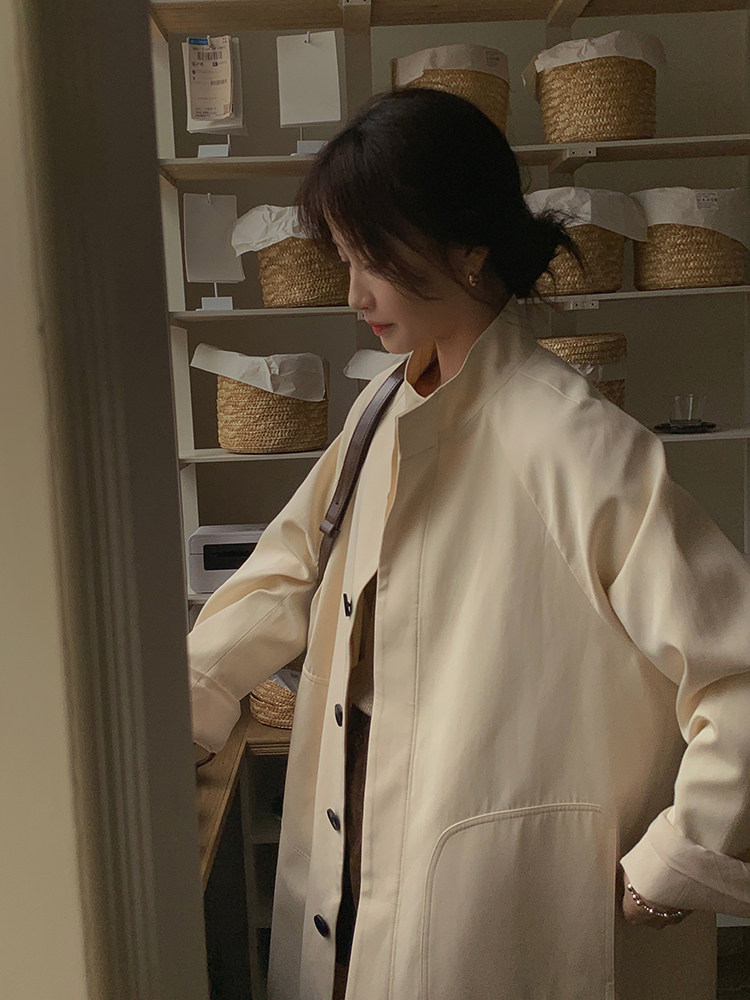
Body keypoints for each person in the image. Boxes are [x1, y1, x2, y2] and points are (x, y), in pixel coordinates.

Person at [189, 88, 750, 1000]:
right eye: (345, 260)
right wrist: (181, 711)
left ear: (468, 247)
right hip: (353, 816)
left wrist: (681, 857)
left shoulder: (576, 443)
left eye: (373, 260)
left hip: (496, 873)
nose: (354, 295)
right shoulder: (382, 407)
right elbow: (285, 570)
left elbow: (736, 670)